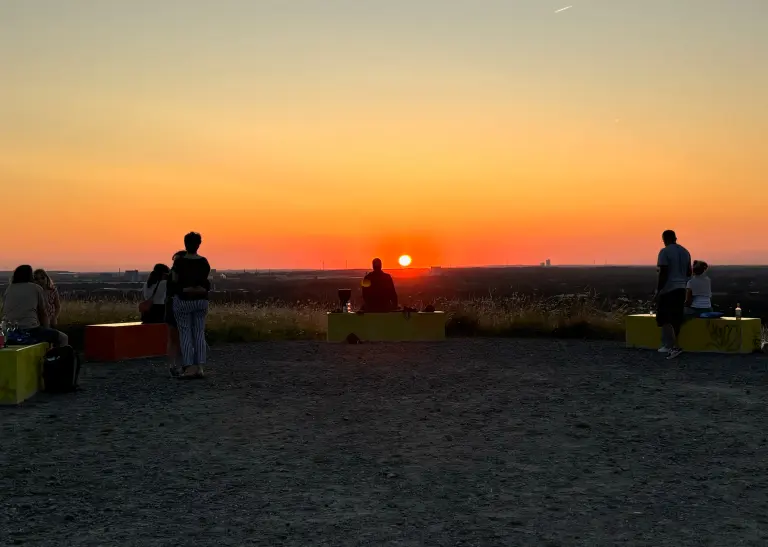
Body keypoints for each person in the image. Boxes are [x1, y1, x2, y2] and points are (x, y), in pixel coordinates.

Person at [170, 233, 211, 379]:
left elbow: (174, 281)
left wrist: (184, 289)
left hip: (183, 301)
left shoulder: (179, 263)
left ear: (185, 243)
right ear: (198, 244)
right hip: (201, 300)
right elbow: (204, 281)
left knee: (185, 332)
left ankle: (188, 366)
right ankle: (200, 366)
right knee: (199, 333)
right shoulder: (204, 262)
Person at [2, 265, 68, 346]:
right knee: (63, 338)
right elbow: (43, 314)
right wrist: (46, 330)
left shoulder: (9, 288)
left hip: (9, 331)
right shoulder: (36, 288)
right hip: (30, 329)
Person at [654, 230, 692, 359]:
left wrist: (659, 290)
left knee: (664, 318)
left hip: (669, 289)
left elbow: (663, 272)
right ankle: (676, 345)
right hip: (682, 288)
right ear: (675, 238)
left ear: (664, 239)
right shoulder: (685, 252)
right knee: (676, 317)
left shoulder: (664, 252)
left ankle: (669, 345)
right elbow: (688, 272)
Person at [164, 250, 186, 376]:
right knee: (183, 336)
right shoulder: (181, 274)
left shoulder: (171, 273)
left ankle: (172, 365)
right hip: (179, 305)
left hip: (169, 306)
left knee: (172, 338)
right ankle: (183, 364)